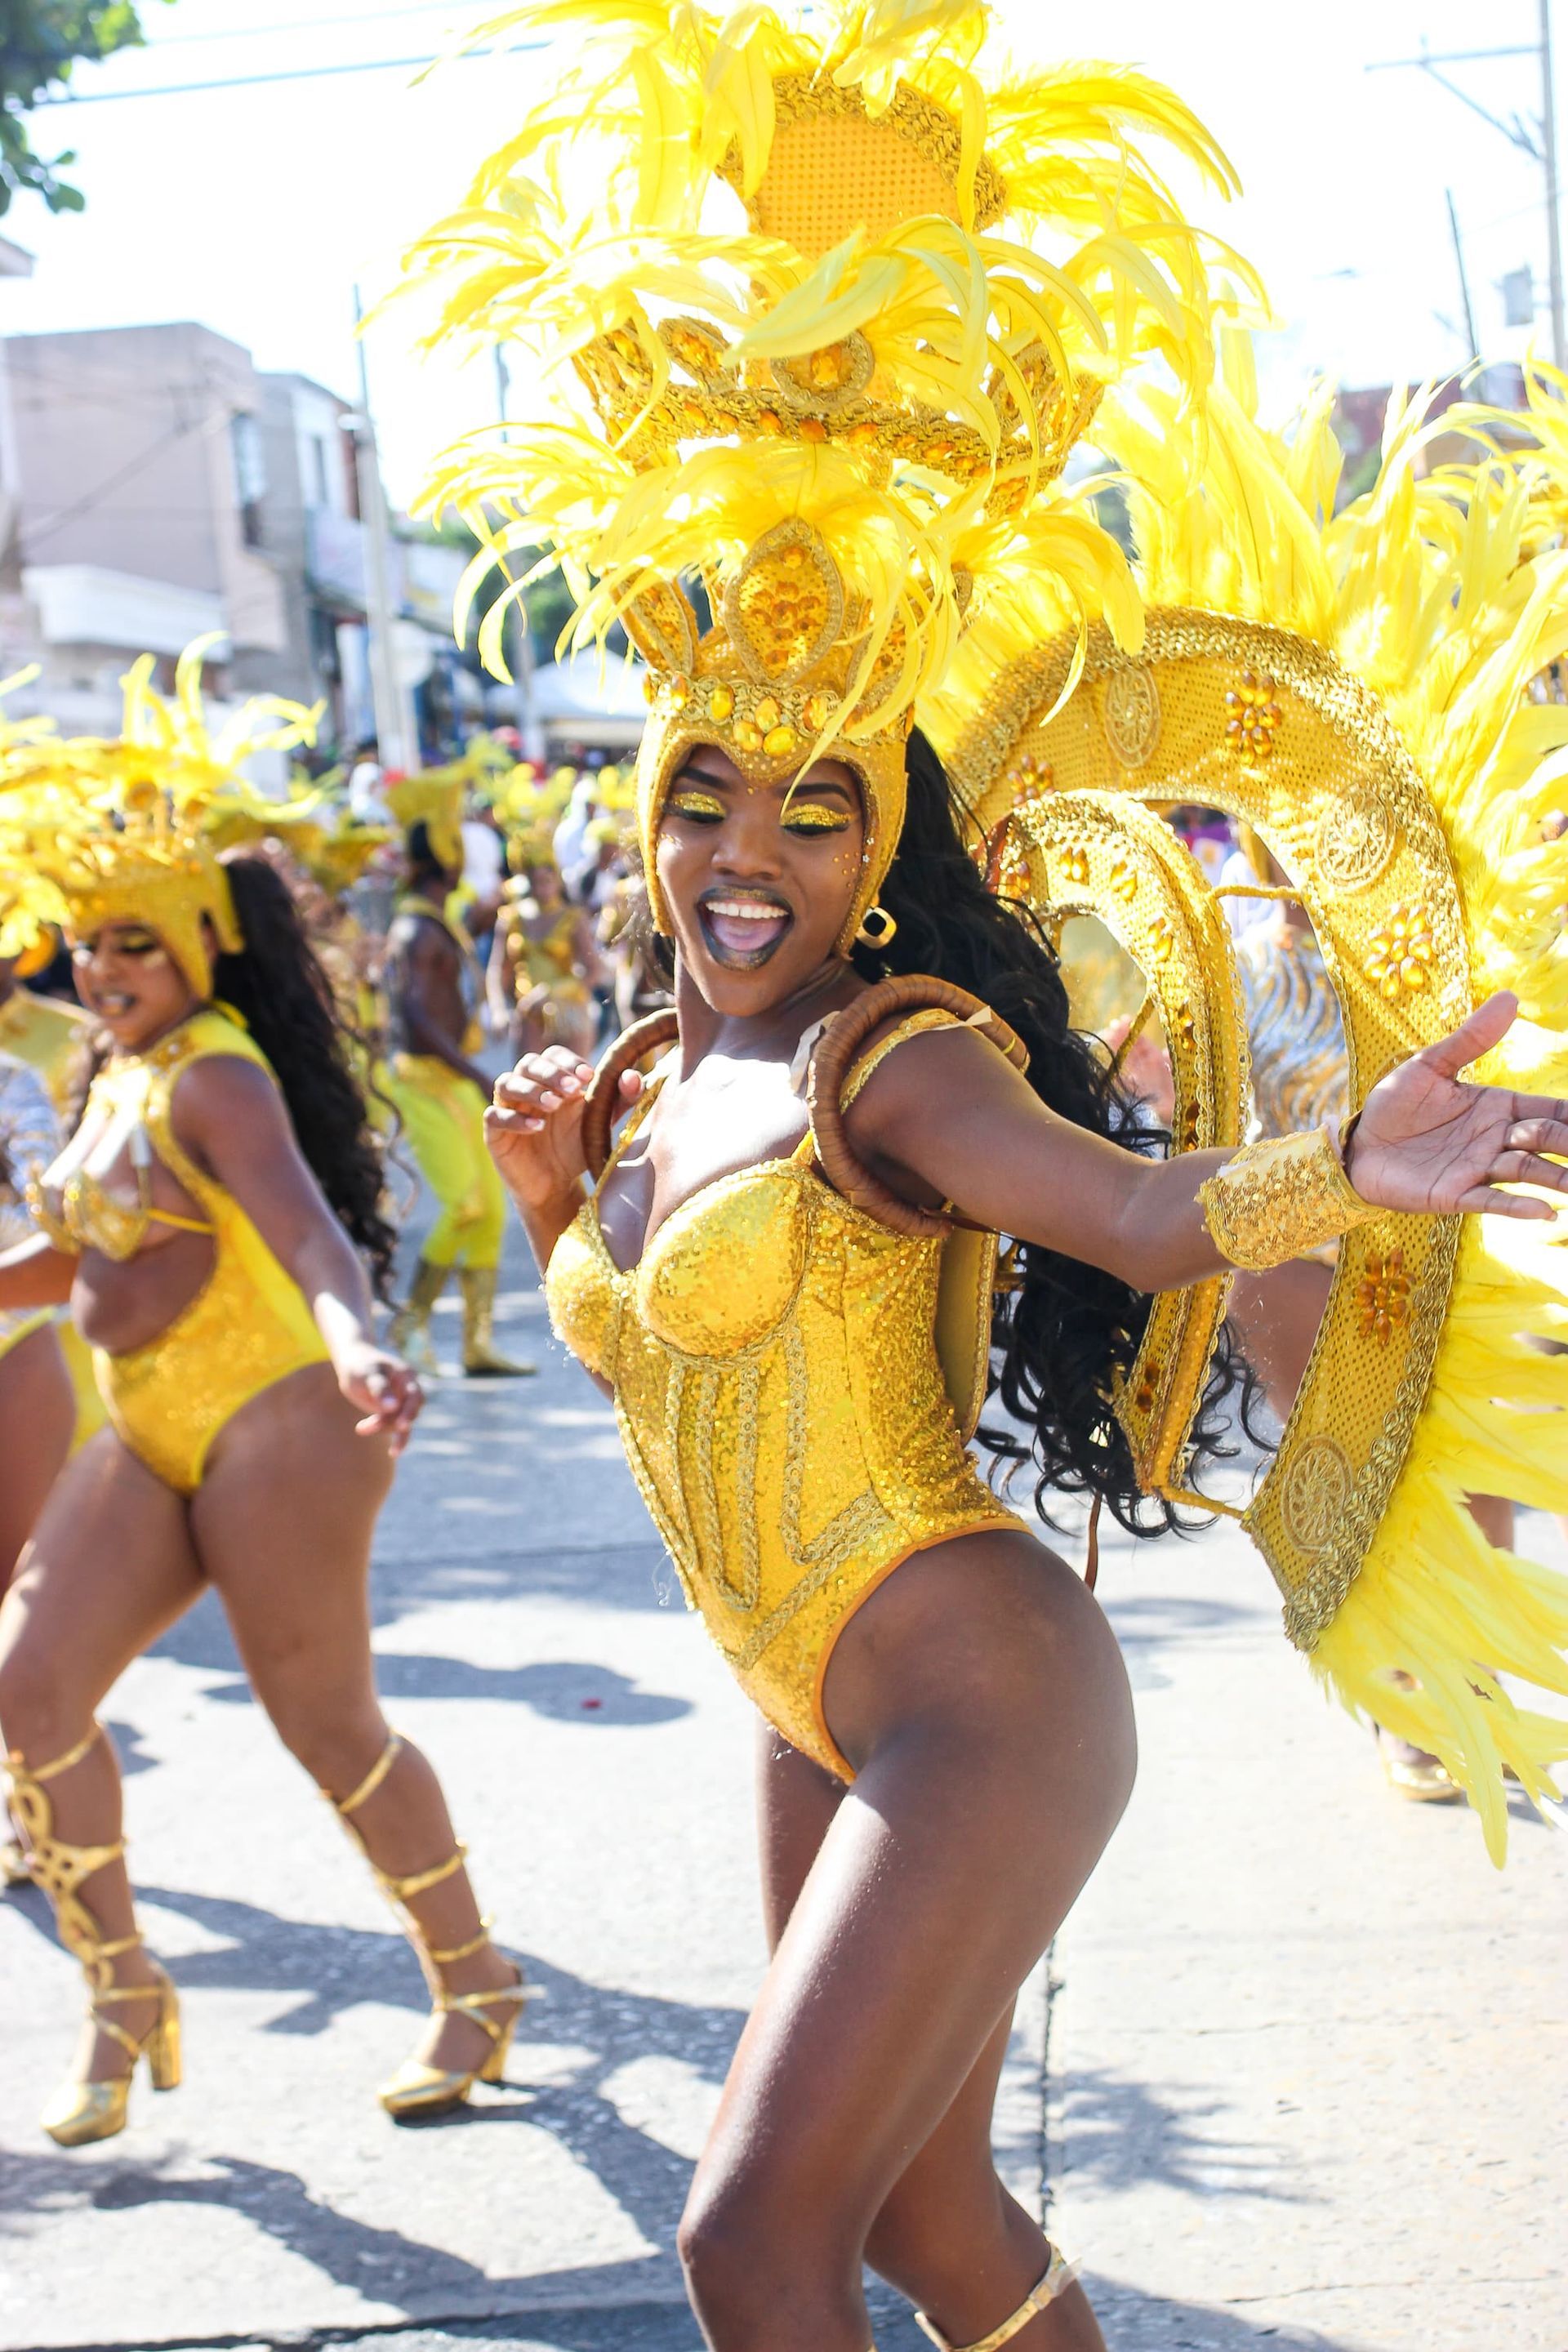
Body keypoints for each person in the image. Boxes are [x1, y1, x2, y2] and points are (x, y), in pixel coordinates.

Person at [0, 657, 524, 2145]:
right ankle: (124, 1999)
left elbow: (301, 1229)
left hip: (281, 1421)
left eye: (137, 949)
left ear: (202, 951)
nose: (104, 972)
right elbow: (71, 1262)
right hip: (151, 1421)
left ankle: (476, 1980)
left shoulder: (214, 1075)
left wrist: (359, 1338)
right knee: (29, 1694)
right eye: (90, 945)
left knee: (325, 1724)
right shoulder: (120, 1066)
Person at [379, 792, 532, 1377]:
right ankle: (409, 1321)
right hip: (424, 1081)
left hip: (452, 1079)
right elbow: (415, 1016)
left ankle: (477, 1343)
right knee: (465, 1203)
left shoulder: (435, 920)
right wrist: (477, 1072)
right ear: (444, 857)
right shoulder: (415, 931)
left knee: (491, 1210)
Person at [490, 858, 603, 1059]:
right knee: (530, 1081)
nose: (541, 889)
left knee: (572, 1082)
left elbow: (594, 970)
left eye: (547, 881)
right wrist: (499, 1010)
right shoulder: (511, 918)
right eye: (535, 882)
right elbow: (498, 969)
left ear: (558, 881)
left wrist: (551, 992)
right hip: (529, 1011)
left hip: (569, 1010)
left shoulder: (572, 917)